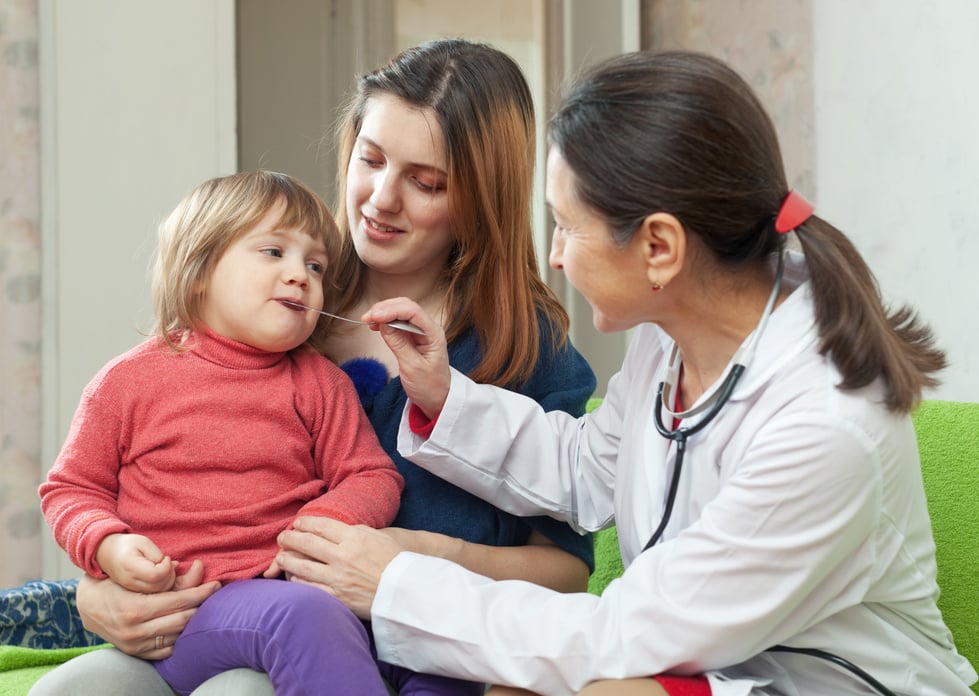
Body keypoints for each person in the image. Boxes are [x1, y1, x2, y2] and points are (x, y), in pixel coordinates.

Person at [270, 51, 979, 696]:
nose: (553, 257)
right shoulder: (676, 333)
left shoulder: (822, 428)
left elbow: (618, 636)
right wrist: (443, 396)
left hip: (823, 684)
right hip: (718, 664)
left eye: (566, 227)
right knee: (519, 682)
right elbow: (587, 468)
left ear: (658, 248)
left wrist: (395, 583)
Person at [30, 39, 596, 696]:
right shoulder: (264, 312)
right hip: (237, 635)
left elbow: (566, 574)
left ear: (478, 196)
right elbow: (136, 490)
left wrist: (416, 558)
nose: (381, 199)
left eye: (424, 182)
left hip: (423, 662)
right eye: (371, 159)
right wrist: (97, 595)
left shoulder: (527, 350)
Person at [37, 170, 407, 696]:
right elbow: (71, 490)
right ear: (199, 272)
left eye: (315, 264)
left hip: (262, 605)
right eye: (274, 252)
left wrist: (319, 525)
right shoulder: (126, 381)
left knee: (304, 617)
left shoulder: (320, 383)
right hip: (157, 624)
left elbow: (372, 476)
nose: (300, 275)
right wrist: (109, 546)